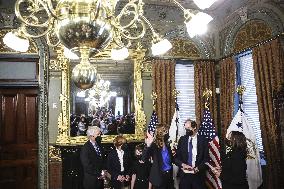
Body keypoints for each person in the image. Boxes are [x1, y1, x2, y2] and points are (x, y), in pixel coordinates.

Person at [175, 119, 209, 189]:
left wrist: (198, 168)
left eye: (188, 128)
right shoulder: (182, 140)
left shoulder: (203, 140)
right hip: (184, 175)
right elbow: (176, 158)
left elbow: (206, 159)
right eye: (185, 128)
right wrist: (182, 164)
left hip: (198, 176)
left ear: (194, 128)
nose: (187, 130)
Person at [143, 124, 174, 189]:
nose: (168, 133)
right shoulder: (154, 145)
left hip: (169, 176)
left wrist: (182, 164)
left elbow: (171, 159)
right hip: (159, 177)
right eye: (167, 131)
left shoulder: (167, 144)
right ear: (161, 133)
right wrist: (148, 145)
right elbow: (144, 159)